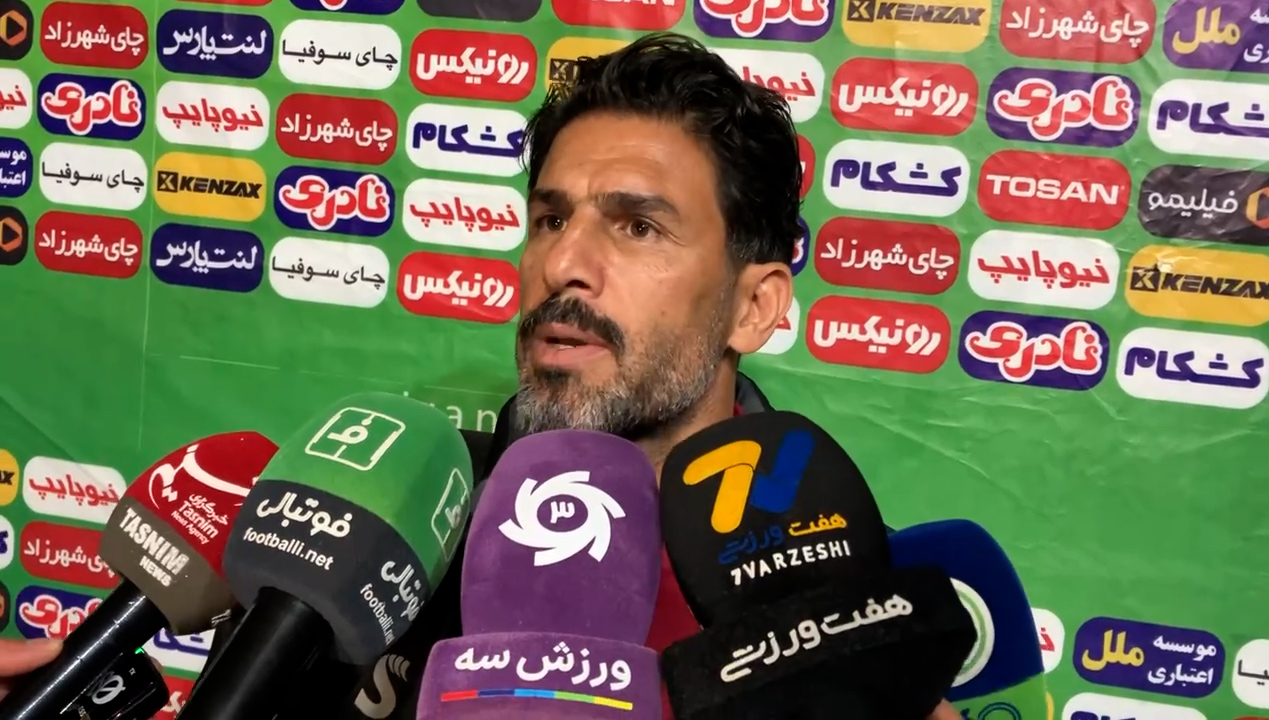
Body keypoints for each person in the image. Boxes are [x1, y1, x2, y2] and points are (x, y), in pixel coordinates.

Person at [0, 33, 962, 720]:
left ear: (754, 308)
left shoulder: (838, 613)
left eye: (637, 226)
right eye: (551, 219)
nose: (564, 264)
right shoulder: (381, 518)